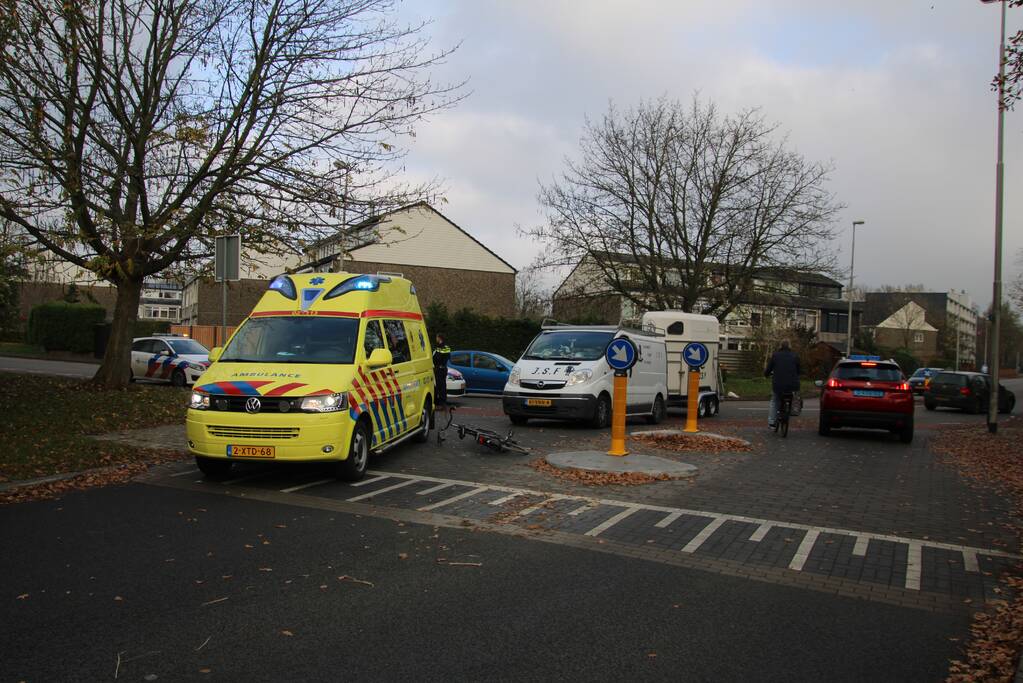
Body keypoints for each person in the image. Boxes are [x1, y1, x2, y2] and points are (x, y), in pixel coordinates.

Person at [764, 339, 801, 429]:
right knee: (793, 397)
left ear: (780, 346)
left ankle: (772, 422)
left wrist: (766, 374)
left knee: (775, 401)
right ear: (789, 346)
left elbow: (769, 368)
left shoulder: (775, 355)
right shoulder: (795, 356)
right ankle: (792, 410)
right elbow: (799, 370)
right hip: (793, 385)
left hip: (778, 385)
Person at [432, 332, 451, 407]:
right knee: (443, 385)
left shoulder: (439, 347)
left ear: (439, 338)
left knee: (439, 386)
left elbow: (437, 358)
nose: (436, 339)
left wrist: (435, 363)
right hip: (443, 369)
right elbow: (448, 357)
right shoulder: (447, 347)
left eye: (437, 337)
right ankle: (443, 401)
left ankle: (441, 402)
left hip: (439, 369)